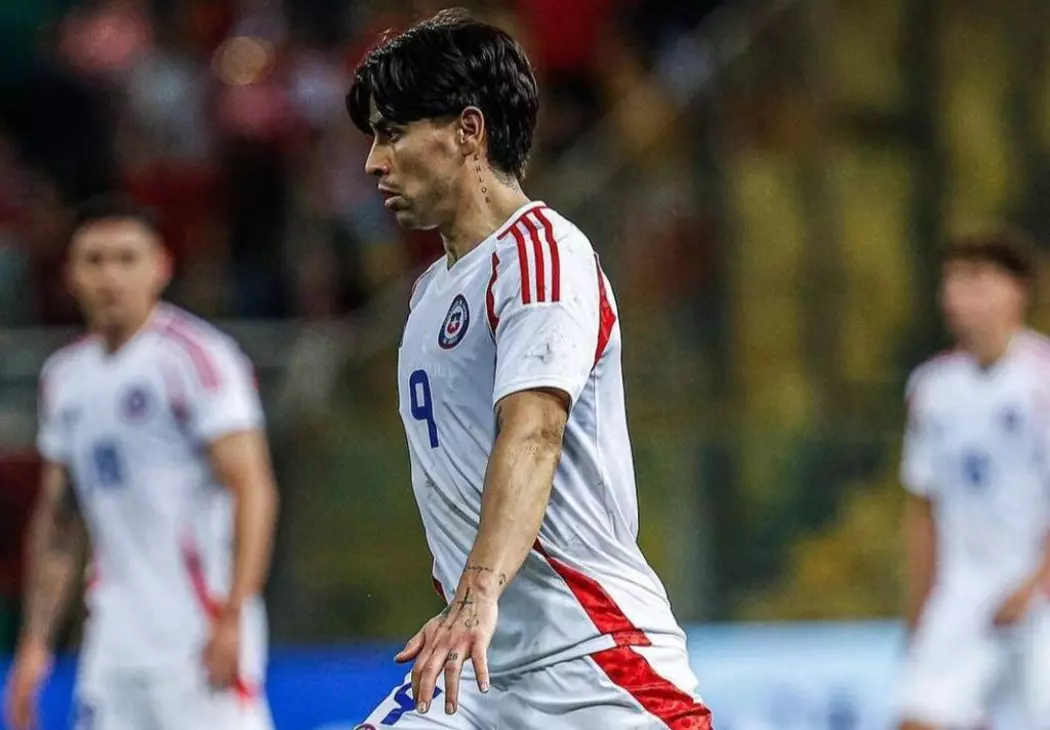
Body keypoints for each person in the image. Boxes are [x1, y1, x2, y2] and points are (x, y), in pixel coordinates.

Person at [345, 9, 712, 729]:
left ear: (468, 131)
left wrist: (478, 591)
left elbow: (536, 431)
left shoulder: (541, 255)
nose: (374, 163)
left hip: (594, 666)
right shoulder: (428, 293)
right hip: (478, 668)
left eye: (392, 132)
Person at [3, 196, 279, 730]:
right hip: (111, 645)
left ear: (160, 267)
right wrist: (35, 643)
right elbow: (59, 522)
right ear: (70, 274)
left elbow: (253, 489)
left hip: (198, 633)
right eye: (95, 260)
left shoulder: (196, 359)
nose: (111, 277)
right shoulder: (64, 379)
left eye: (127, 259)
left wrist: (234, 616)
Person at [899, 230, 1050, 730]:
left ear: (1015, 291)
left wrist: (1037, 582)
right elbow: (922, 504)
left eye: (976, 279)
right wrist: (918, 606)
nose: (957, 295)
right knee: (918, 719)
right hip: (965, 592)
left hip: (1039, 592)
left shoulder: (1041, 379)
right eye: (952, 281)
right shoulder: (931, 387)